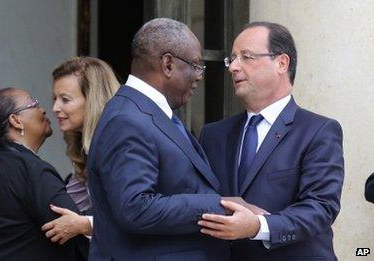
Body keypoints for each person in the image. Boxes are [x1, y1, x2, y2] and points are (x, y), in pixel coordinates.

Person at [86, 18, 233, 261]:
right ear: (167, 64)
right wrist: (219, 206)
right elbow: (135, 207)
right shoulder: (127, 119)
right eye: (196, 66)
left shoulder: (147, 113)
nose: (199, 77)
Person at [198, 21, 344, 260]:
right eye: (231, 59)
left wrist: (258, 226)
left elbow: (320, 208)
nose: (233, 67)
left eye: (246, 57)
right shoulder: (213, 135)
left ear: (281, 63)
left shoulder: (319, 131)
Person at [0, 88, 91, 261]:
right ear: (16, 121)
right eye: (34, 104)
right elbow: (75, 235)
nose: (44, 109)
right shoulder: (31, 171)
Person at [41, 57, 120, 245]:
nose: (55, 108)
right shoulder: (87, 146)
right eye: (54, 99)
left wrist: (84, 225)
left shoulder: (117, 143)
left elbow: (133, 213)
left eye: (65, 100)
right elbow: (65, 205)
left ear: (93, 99)